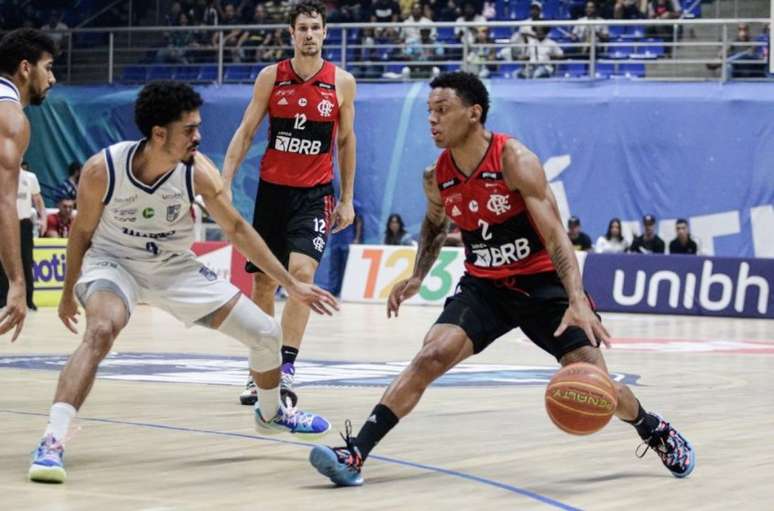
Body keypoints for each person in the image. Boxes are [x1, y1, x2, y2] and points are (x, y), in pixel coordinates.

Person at [308, 71, 694, 486]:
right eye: (429, 112)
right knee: (429, 356)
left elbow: (555, 236)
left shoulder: (514, 161)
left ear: (473, 114)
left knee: (595, 383)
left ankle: (652, 427)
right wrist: (418, 275)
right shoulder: (436, 175)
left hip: (543, 287)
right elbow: (435, 225)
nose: (432, 120)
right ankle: (355, 454)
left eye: (442, 110)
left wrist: (577, 299)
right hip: (486, 287)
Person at [28, 81, 337, 485]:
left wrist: (289, 284)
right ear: (159, 134)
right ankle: (52, 439)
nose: (199, 136)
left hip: (176, 269)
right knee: (101, 330)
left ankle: (271, 412)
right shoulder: (102, 171)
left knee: (266, 333)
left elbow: (239, 230)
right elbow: (81, 234)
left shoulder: (198, 173)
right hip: (113, 263)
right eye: (190, 129)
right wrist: (69, 293)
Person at [222, 1, 357, 407]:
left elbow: (347, 141)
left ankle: (287, 367)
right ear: (291, 34)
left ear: (325, 33)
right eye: (303, 28)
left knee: (301, 274)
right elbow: (246, 132)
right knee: (263, 281)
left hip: (315, 195)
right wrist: (224, 182)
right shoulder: (270, 78)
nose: (310, 34)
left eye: (316, 27)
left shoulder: (342, 82)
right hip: (272, 192)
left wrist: (346, 199)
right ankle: (259, 369)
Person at [0, 28, 57, 342]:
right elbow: (2, 202)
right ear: (25, 68)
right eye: (48, 67)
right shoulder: (11, 118)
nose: (52, 78)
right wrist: (17, 282)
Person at [0, 164, 46, 311]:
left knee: (26, 261)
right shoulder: (3, 175)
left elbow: (38, 199)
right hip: (5, 223)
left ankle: (28, 300)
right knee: (3, 261)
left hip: (24, 223)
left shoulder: (30, 177)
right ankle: (2, 299)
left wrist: (43, 218)